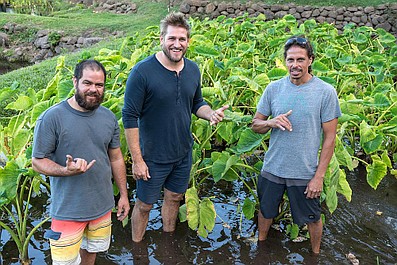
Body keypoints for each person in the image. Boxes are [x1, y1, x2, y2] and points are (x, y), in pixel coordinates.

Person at [122, 12, 229, 243]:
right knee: (144, 205)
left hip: (182, 153)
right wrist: (137, 160)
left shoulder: (193, 69)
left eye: (182, 39)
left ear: (188, 41)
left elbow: (197, 102)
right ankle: (137, 251)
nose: (176, 44)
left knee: (174, 198)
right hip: (152, 156)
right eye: (171, 38)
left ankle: (167, 243)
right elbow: (129, 116)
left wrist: (209, 113)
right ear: (161, 39)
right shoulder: (142, 72)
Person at [32, 59, 130, 265]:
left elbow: (116, 157)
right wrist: (65, 171)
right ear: (75, 82)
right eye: (87, 83)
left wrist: (123, 195)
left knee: (91, 254)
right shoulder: (51, 118)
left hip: (102, 206)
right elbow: (37, 161)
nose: (93, 89)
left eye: (99, 85)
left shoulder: (109, 117)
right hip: (67, 210)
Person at [252, 36, 341, 254]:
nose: (295, 65)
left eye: (300, 59)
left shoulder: (325, 92)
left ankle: (315, 255)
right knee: (265, 211)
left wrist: (318, 177)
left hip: (304, 171)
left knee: (312, 218)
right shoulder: (273, 89)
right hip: (273, 167)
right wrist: (271, 122)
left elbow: (330, 138)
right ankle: (261, 248)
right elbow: (256, 124)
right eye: (290, 60)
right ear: (285, 61)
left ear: (310, 60)